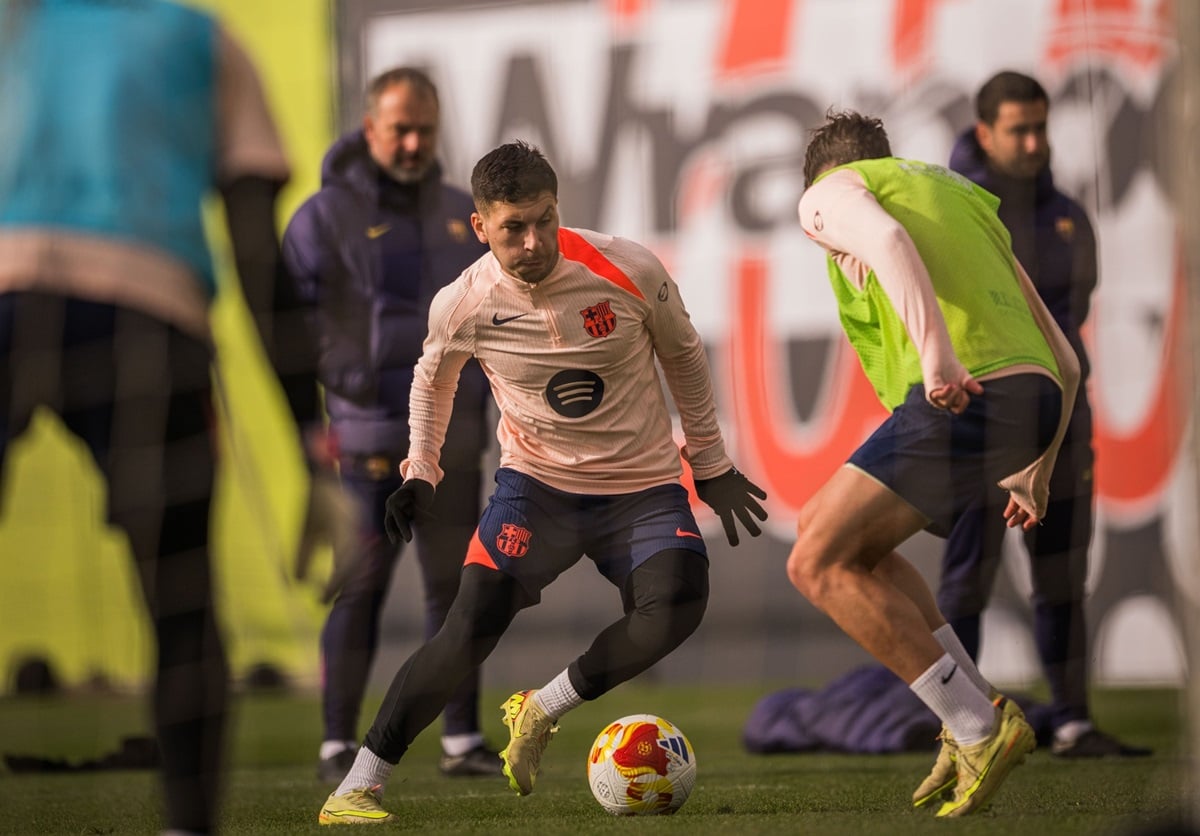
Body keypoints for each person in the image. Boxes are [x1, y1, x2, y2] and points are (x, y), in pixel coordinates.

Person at [316, 140, 768, 824]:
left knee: (677, 603)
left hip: (641, 488)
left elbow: (684, 355)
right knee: (466, 628)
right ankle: (357, 784)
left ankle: (542, 706)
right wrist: (422, 471)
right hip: (537, 488)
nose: (533, 242)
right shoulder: (463, 302)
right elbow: (431, 382)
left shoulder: (630, 268)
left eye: (544, 221)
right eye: (512, 229)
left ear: (558, 210)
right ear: (480, 228)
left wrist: (710, 462)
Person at [0, 1, 343, 833]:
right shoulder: (204, 40)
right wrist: (313, 443)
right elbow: (261, 260)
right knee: (180, 601)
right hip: (144, 313)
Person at [788, 110, 1081, 817]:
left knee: (815, 563)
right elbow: (1066, 358)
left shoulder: (832, 192)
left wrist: (939, 355)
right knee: (845, 540)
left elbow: (883, 239)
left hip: (963, 393)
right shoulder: (960, 197)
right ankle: (969, 710)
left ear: (825, 178)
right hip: (1035, 398)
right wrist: (1038, 468)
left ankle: (976, 726)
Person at [282, 66, 502, 783]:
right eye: (399, 128)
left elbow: (495, 318)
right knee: (360, 591)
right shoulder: (322, 218)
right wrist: (350, 376)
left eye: (425, 130)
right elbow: (295, 323)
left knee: (458, 591)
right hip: (367, 443)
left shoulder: (457, 212)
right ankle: (335, 744)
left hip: (450, 443)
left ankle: (462, 740)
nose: (412, 142)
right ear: (368, 127)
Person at [942, 70, 1150, 758]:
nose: (1033, 142)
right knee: (967, 576)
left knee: (1061, 573)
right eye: (1017, 130)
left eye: (1041, 127)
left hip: (1061, 421)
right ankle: (962, 728)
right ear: (984, 133)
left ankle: (1071, 722)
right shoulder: (950, 213)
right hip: (979, 419)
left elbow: (1075, 315)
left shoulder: (1067, 215)